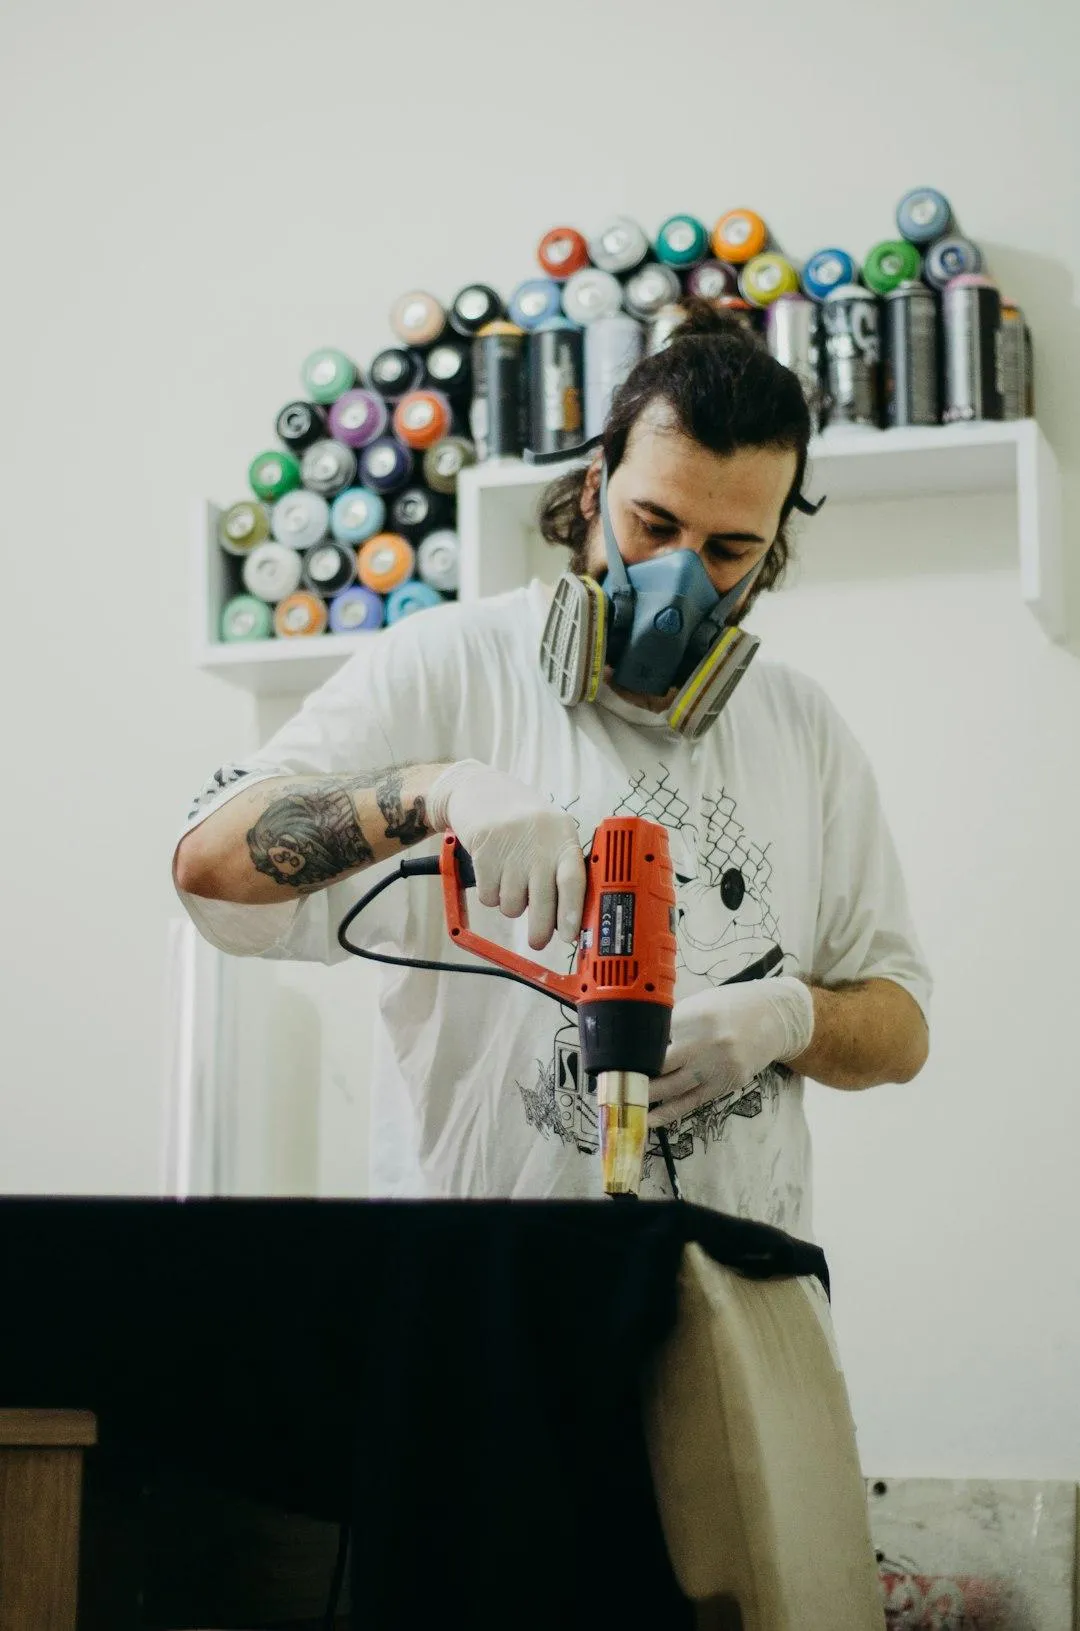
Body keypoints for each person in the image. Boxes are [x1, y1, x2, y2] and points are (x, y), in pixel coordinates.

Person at [174, 301, 930, 1234]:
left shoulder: (801, 726)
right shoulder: (448, 664)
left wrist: (792, 1016)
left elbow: (902, 1027)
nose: (678, 579)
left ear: (772, 548)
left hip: (742, 1279)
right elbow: (208, 861)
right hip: (483, 1276)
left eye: (729, 549)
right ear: (594, 487)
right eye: (652, 523)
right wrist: (436, 791)